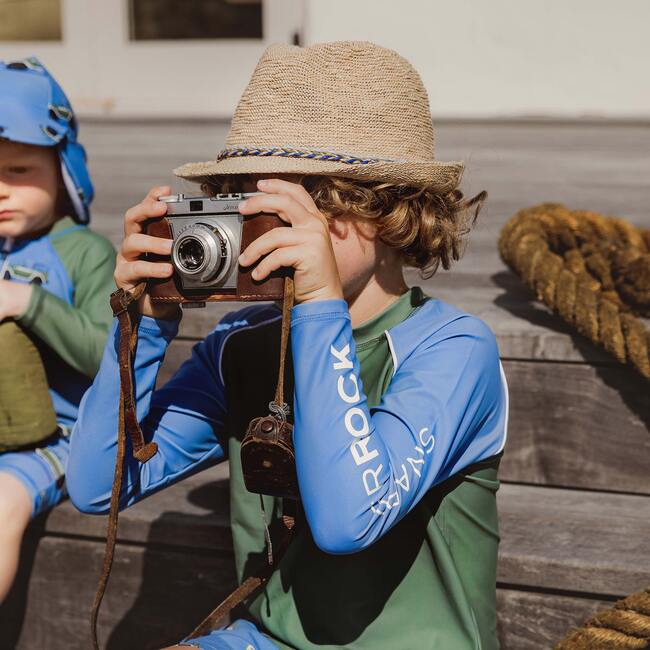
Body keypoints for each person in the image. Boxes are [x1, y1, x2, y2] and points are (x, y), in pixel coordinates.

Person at [67, 41, 509, 649]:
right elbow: (97, 487)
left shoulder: (455, 350)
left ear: (390, 210)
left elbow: (349, 521)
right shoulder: (240, 346)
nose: (271, 229)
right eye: (251, 201)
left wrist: (320, 309)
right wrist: (143, 327)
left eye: (300, 205)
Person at [0, 57, 116, 602]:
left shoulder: (84, 254)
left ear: (64, 171)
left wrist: (30, 302)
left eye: (18, 171)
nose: (1, 190)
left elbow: (107, 357)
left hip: (57, 442)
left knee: (1, 504)